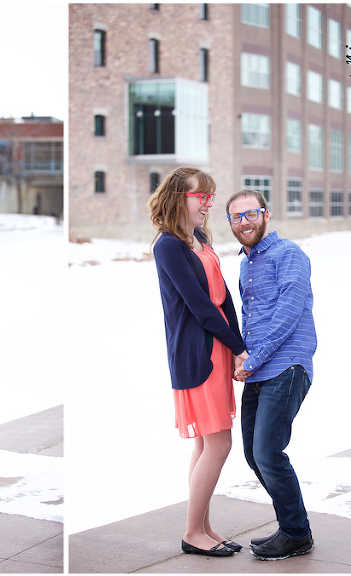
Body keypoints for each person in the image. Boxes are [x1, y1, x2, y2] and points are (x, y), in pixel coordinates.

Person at [148, 168, 250, 558]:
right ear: (179, 198)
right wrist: (237, 348)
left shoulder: (200, 239)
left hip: (219, 347)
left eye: (210, 196)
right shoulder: (168, 246)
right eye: (201, 196)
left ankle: (204, 526)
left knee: (210, 442)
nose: (208, 202)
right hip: (197, 353)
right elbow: (200, 307)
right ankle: (192, 532)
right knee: (219, 443)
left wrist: (238, 346)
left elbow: (223, 300)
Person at [226, 189, 317, 560]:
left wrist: (252, 360)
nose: (244, 222)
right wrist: (243, 356)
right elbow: (253, 320)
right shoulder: (246, 263)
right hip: (260, 368)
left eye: (251, 214)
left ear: (267, 213)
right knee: (253, 453)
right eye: (236, 217)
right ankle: (292, 526)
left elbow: (288, 312)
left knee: (268, 451)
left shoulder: (288, 253)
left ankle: (296, 532)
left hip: (287, 365)